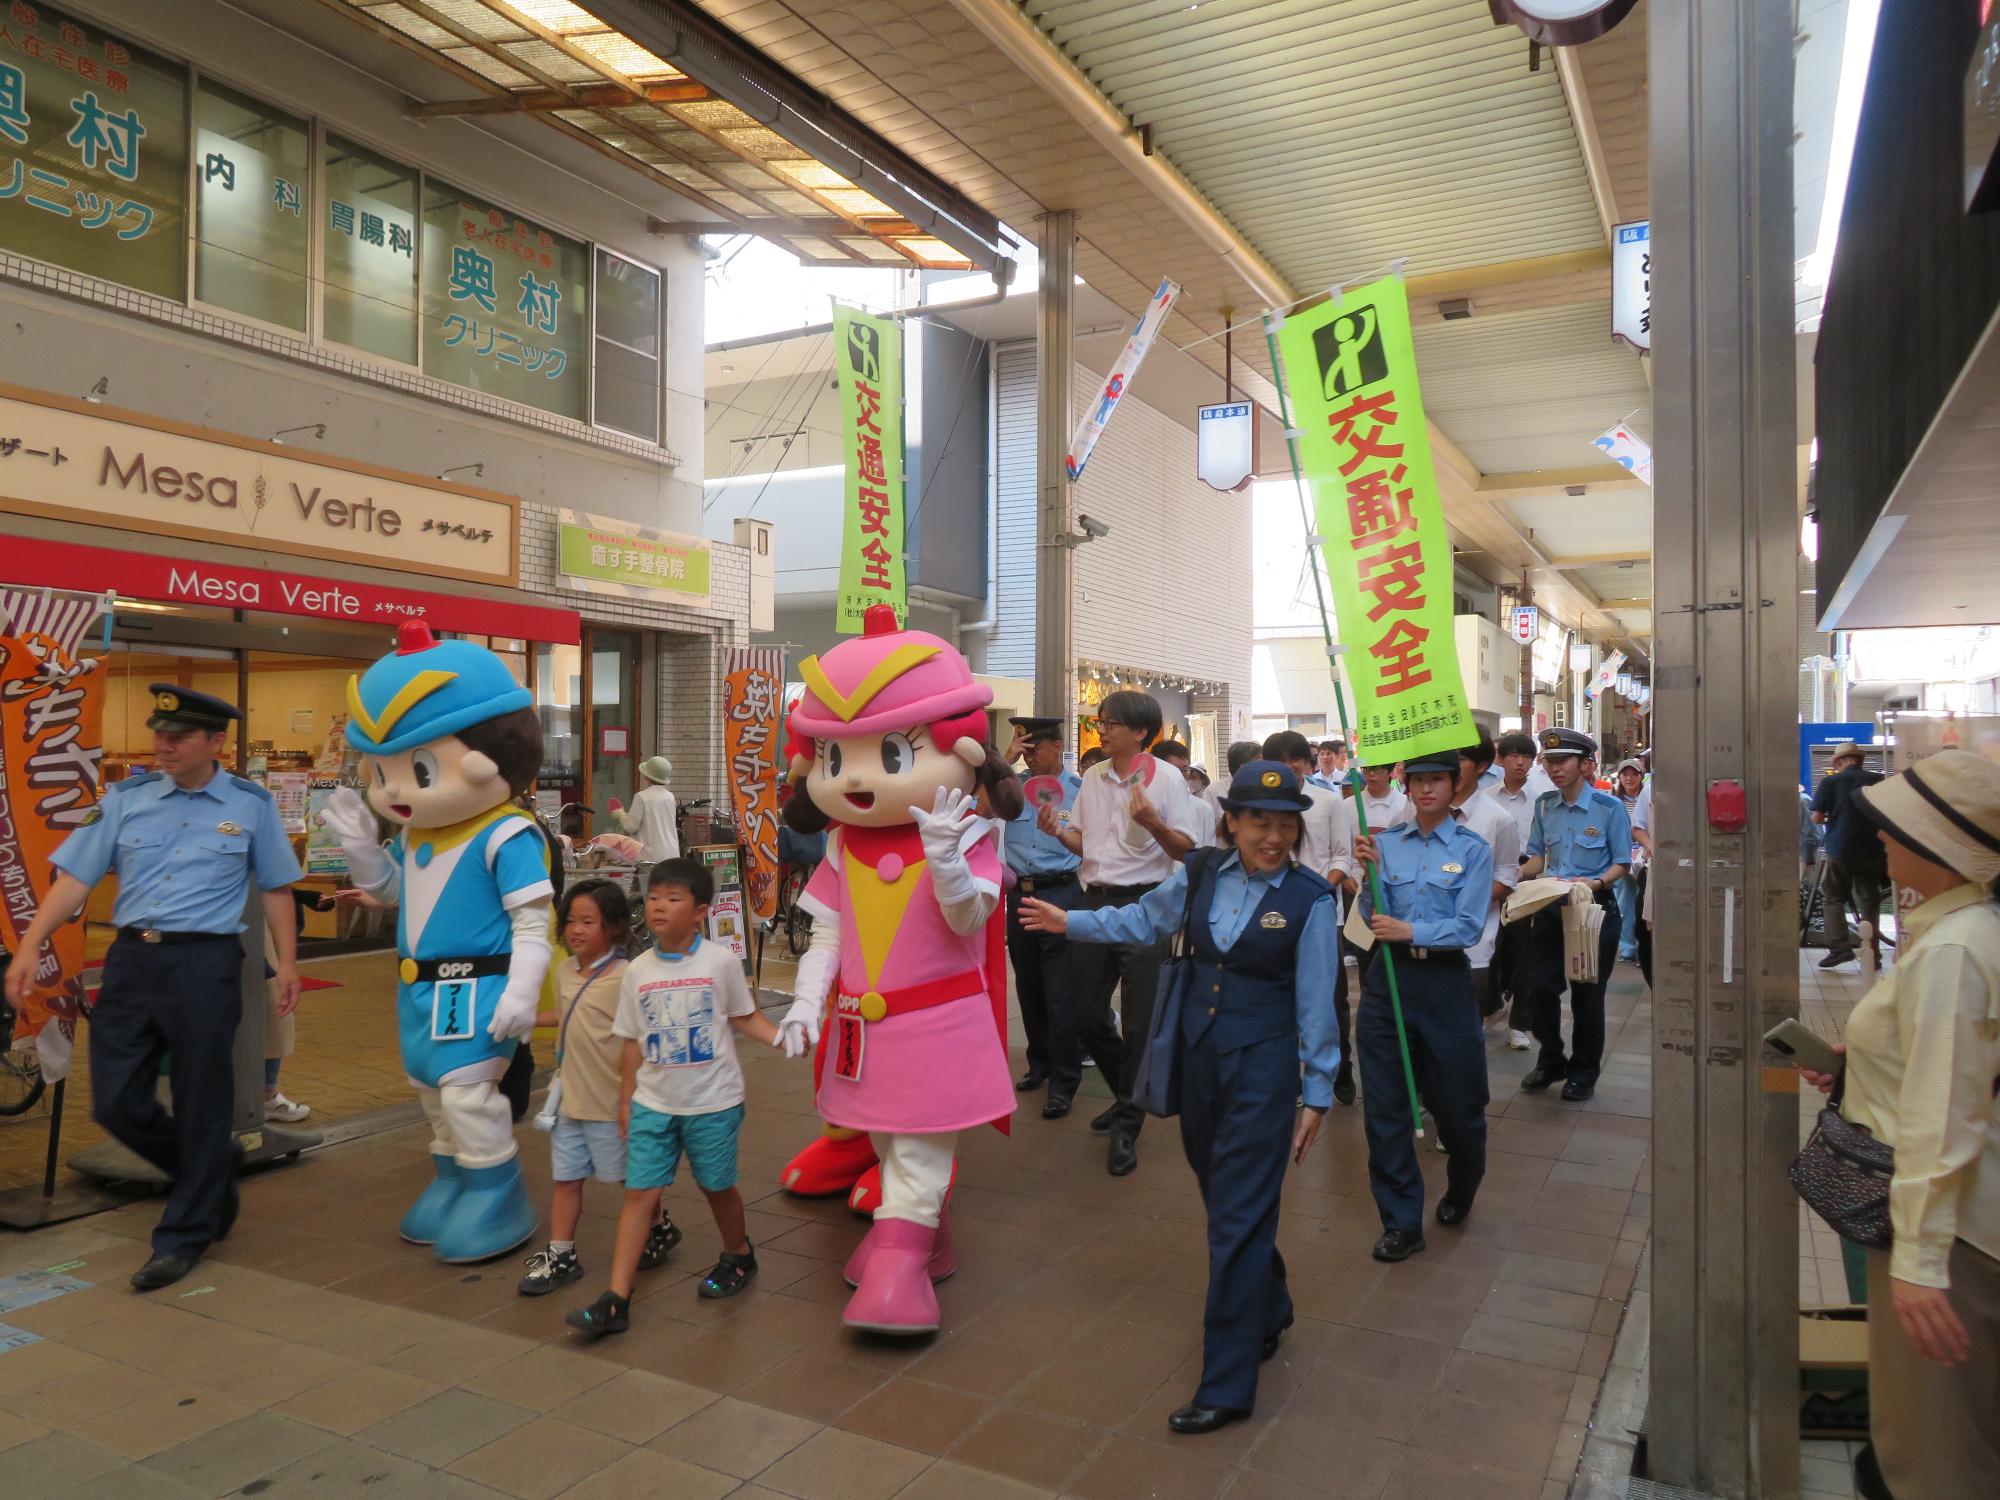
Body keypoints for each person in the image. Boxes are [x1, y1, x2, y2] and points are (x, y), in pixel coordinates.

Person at [1021, 760, 1339, 1436]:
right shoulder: (1197, 874)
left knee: (1233, 1219)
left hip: (1262, 1073)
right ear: (1232, 820)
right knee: (1226, 1201)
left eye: (1286, 824)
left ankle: (1227, 1380)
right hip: (1196, 1063)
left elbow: (1317, 1000)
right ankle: (1273, 1301)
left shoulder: (1310, 899)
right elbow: (1140, 920)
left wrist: (1318, 1090)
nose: (1273, 836)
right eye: (1260, 821)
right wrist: (1069, 923)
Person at [5, 685, 302, 1291]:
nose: (162, 744)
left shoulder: (250, 804)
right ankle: (211, 1169)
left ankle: (184, 1235)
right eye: (159, 733)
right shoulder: (125, 798)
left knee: (200, 1100)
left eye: (178, 736)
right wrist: (30, 942)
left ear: (216, 742)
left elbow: (275, 885)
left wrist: (290, 963)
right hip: (132, 962)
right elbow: (75, 876)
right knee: (115, 1101)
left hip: (207, 962)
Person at [776, 605, 1022, 1334]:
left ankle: (900, 1264)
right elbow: (825, 939)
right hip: (862, 1033)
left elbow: (969, 922)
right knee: (887, 1139)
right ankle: (922, 1237)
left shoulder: (967, 837)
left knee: (915, 1145)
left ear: (964, 751)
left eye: (890, 755)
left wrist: (946, 858)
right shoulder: (841, 850)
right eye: (833, 759)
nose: (853, 781)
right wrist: (805, 1004)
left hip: (936, 1021)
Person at [1793, 750, 2000, 1498]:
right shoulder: (1953, 934)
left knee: (1936, 1455)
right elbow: (1938, 1067)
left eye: (1894, 826)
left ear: (1938, 848)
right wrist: (1861, 1064)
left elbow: (1945, 1119)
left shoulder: (1955, 949)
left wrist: (1918, 1261)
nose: (1878, 836)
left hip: (1948, 1243)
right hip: (1943, 1231)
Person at [566, 859, 781, 1335]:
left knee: (716, 1186)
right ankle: (616, 1299)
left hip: (714, 1102)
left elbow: (744, 1017)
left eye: (674, 898)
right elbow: (631, 1041)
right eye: (655, 896)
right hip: (653, 1104)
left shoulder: (721, 963)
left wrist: (789, 1038)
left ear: (701, 911)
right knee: (640, 1194)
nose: (660, 906)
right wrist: (626, 1102)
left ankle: (739, 1255)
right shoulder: (636, 970)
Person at [1042, 689, 1202, 1177]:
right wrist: (1056, 832)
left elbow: (1185, 851)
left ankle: (1127, 1125)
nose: (1102, 729)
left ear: (1139, 732)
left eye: (1111, 722)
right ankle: (1126, 1094)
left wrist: (1152, 822)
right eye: (1100, 721)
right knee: (1087, 1015)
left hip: (1145, 907)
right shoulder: (1092, 777)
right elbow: (1084, 842)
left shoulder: (1169, 779)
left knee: (1138, 1023)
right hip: (1093, 903)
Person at [1351, 751, 1493, 1262]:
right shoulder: (1384, 844)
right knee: (1386, 1108)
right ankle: (1401, 1222)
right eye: (1418, 780)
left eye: (1438, 779)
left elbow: (1469, 925)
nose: (1427, 788)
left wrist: (1412, 930)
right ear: (1404, 786)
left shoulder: (1474, 850)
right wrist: (1365, 875)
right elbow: (1369, 915)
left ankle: (1462, 1185)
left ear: (1456, 785)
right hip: (1388, 981)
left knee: (1460, 1107)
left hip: (1446, 985)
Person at [518, 880, 681, 1296]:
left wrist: (641, 1098)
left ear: (614, 928)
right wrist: (526, 1018)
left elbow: (642, 1038)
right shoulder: (565, 971)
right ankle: (561, 1254)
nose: (576, 929)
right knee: (566, 1180)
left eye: (588, 921)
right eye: (570, 920)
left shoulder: (627, 977)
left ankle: (659, 1227)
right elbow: (566, 1013)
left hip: (612, 1105)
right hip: (568, 1100)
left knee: (630, 1181)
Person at [1518, 728, 1630, 1102]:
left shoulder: (1609, 808)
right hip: (1551, 908)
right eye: (1549, 761)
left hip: (1593, 912)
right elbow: (1537, 856)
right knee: (1540, 988)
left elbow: (1622, 863)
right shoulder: (1544, 806)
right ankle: (1552, 1058)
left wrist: (1596, 882)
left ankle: (1583, 1071)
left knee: (1587, 996)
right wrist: (1513, 874)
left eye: (1562, 761)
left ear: (1585, 764)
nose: (1554, 769)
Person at [1264, 731, 1358, 1102]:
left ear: (1307, 762)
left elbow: (1341, 856)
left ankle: (1341, 1066)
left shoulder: (1327, 801)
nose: (1289, 767)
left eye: (1295, 759)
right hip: (1270, 917)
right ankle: (1289, 1075)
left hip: (1321, 914)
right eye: (1280, 760)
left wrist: (1318, 892)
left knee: (1331, 999)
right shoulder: (1259, 804)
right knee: (1279, 998)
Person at [1002, 716, 1084, 1119]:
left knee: (1061, 993)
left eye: (1037, 749)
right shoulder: (1010, 788)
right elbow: (976, 807)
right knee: (1029, 988)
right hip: (1020, 895)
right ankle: (1040, 1065)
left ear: (1057, 745)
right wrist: (1005, 760)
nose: (1030, 758)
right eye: (1025, 750)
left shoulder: (1080, 792)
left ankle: (1065, 1081)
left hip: (1062, 893)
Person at [1450, 736, 1522, 1027]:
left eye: (1461, 758)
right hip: (1425, 938)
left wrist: (1461, 899)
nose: (1452, 766)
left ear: (1481, 766)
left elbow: (1506, 879)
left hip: (1474, 941)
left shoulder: (1498, 820)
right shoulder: (1420, 812)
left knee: (1466, 1025)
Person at [1483, 730, 1549, 1049]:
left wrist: (1527, 876)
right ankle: (1493, 1003)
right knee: (1492, 946)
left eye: (1526, 757)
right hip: (1494, 875)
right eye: (1514, 755)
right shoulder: (1488, 798)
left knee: (1525, 952)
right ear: (1501, 759)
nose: (1520, 762)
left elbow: (1545, 848)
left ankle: (1520, 1022)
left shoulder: (1541, 801)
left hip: (1528, 879)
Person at [1812, 742, 1888, 969]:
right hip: (1872, 851)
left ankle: (1839, 949)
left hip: (1841, 849)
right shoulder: (1878, 780)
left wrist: (1835, 819)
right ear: (1859, 759)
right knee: (1869, 900)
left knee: (1833, 897)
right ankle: (1871, 953)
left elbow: (1816, 818)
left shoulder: (1830, 781)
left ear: (1838, 762)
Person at [608, 756, 679, 868]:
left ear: (647, 776)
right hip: (671, 853)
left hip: (649, 856)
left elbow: (631, 826)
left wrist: (621, 815)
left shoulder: (641, 797)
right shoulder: (670, 797)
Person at [1612, 759, 1647, 962]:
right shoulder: (1614, 801)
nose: (1629, 778)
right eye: (1625, 774)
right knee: (1624, 904)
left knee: (1644, 903)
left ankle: (1644, 946)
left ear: (1640, 776)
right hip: (1622, 858)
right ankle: (1627, 947)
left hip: (1645, 856)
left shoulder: (1647, 797)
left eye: (1633, 774)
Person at [1356, 760, 1410, 830]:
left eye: (1377, 768)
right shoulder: (1349, 804)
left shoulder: (1406, 803)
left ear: (1391, 772)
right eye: (1367, 769)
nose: (1371, 774)